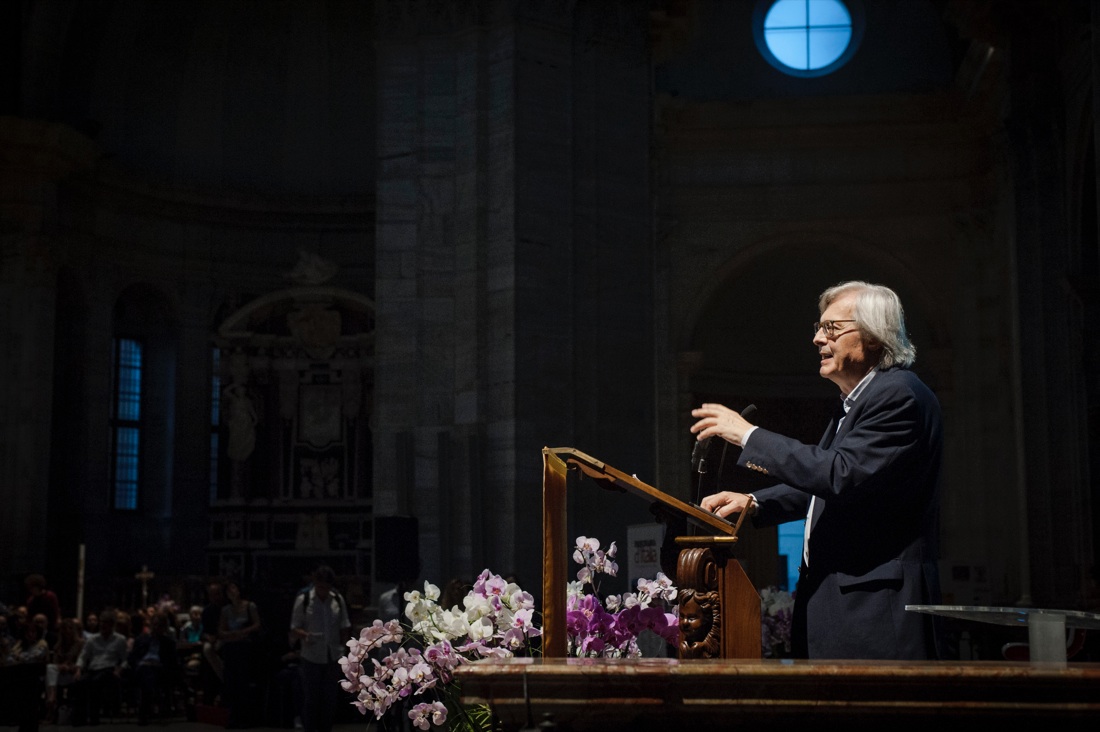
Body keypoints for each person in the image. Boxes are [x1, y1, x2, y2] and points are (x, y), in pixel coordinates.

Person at [692, 280, 943, 660]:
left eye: (831, 328)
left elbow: (840, 474)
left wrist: (748, 435)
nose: (817, 339)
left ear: (874, 336)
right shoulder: (856, 402)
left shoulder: (898, 394)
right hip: (846, 604)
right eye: (819, 327)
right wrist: (755, 502)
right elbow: (834, 483)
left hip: (876, 609)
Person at [290, 565, 351, 732]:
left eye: (326, 587)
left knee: (329, 699)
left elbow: (344, 626)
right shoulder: (304, 599)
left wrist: (345, 651)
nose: (323, 590)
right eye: (320, 586)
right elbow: (294, 627)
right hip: (311, 655)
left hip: (333, 655)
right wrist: (306, 635)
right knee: (311, 698)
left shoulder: (337, 599)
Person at [71, 608, 128, 726]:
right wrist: (78, 669)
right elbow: (83, 656)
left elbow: (125, 659)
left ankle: (94, 716)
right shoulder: (92, 639)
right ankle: (79, 717)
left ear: (112, 625)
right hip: (93, 669)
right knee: (79, 682)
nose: (103, 625)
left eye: (106, 623)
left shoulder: (120, 639)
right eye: (102, 622)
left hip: (109, 669)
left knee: (96, 682)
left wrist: (119, 670)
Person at [218, 580, 261, 728]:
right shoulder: (226, 610)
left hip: (245, 647)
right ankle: (233, 716)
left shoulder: (249, 606)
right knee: (231, 682)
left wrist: (243, 631)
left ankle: (245, 717)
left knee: (243, 682)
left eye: (233, 588)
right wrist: (231, 634)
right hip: (231, 646)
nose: (231, 592)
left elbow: (257, 624)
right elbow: (221, 630)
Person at [127, 610, 180, 725]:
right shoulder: (141, 639)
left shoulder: (169, 643)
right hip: (142, 667)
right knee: (147, 672)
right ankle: (147, 710)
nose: (156, 628)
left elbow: (173, 662)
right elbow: (132, 657)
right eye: (155, 624)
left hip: (160, 669)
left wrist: (160, 665)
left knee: (150, 674)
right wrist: (140, 663)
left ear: (165, 627)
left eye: (160, 625)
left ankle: (144, 711)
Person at [44, 617, 85, 723]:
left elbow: (82, 661)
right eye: (65, 628)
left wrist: (70, 667)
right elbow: (55, 662)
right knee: (50, 668)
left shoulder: (81, 644)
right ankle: (52, 697)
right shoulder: (58, 646)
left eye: (70, 628)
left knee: (51, 674)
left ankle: (51, 701)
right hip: (61, 673)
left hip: (74, 673)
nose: (67, 631)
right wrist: (61, 666)